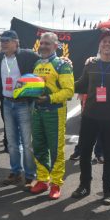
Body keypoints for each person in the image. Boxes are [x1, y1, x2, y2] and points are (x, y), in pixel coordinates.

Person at [71, 29, 110, 205]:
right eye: (104, 41)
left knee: (109, 157)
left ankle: (107, 191)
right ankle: (84, 186)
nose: (107, 44)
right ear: (100, 45)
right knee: (85, 153)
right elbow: (81, 84)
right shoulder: (91, 64)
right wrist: (64, 78)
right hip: (90, 116)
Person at [29, 32, 74, 199]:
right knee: (39, 146)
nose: (43, 46)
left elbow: (69, 91)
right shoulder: (37, 63)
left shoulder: (63, 65)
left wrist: (49, 98)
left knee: (56, 149)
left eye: (47, 43)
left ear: (56, 46)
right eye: (41, 43)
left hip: (55, 112)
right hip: (37, 111)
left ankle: (56, 183)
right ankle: (42, 179)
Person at [0, 30, 39, 187]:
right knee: (12, 143)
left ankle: (30, 175)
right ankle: (15, 172)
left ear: (16, 42)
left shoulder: (27, 55)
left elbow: (45, 61)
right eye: (2, 40)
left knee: (27, 143)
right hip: (7, 103)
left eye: (7, 40)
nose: (4, 43)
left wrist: (64, 60)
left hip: (24, 104)